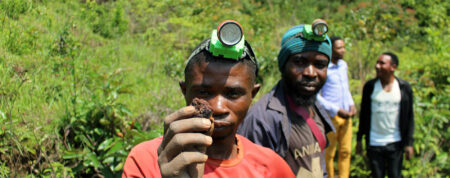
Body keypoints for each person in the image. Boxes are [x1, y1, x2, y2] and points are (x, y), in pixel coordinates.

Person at [122, 20, 295, 178]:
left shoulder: (272, 167)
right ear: (185, 91)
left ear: (252, 95)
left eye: (233, 94)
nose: (218, 107)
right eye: (204, 93)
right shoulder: (147, 160)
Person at [238, 21, 335, 177]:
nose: (311, 72)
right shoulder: (263, 119)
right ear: (284, 66)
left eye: (319, 64)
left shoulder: (313, 105)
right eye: (299, 62)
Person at [356, 52, 414, 178]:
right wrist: (359, 139)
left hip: (395, 142)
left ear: (393, 67)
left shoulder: (403, 88)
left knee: (395, 175)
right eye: (377, 63)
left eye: (382, 63)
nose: (377, 66)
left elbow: (409, 117)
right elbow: (364, 114)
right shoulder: (370, 87)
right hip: (374, 143)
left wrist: (409, 143)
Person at [316, 36, 356, 178]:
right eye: (339, 48)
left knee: (345, 152)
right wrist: (336, 109)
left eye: (343, 47)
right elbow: (317, 96)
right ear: (331, 49)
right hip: (331, 117)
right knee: (329, 153)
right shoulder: (323, 67)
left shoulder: (343, 65)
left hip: (347, 117)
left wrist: (351, 104)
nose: (343, 50)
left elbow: (345, 89)